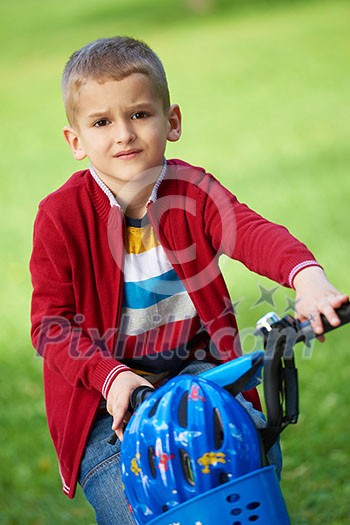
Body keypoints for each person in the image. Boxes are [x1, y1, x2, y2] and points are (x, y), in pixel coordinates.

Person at [29, 36, 348, 524]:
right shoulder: (60, 216)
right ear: (76, 141)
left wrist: (308, 279)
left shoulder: (194, 192)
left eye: (139, 114)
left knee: (249, 456)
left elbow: (252, 232)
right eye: (101, 122)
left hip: (199, 377)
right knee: (135, 503)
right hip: (107, 405)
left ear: (171, 121)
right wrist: (110, 379)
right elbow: (49, 323)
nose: (124, 135)